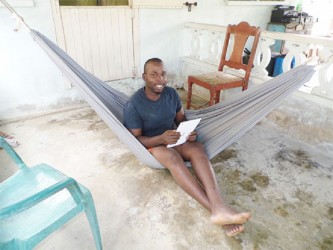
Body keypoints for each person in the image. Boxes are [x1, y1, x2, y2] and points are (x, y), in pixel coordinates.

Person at [123, 58, 250, 237]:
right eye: (153, 75)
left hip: (174, 138)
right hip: (152, 145)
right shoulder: (134, 104)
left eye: (163, 74)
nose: (159, 79)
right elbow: (136, 140)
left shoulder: (172, 94)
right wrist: (160, 138)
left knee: (197, 148)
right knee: (172, 158)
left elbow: (181, 120)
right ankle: (216, 210)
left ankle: (219, 207)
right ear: (144, 77)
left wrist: (190, 132)